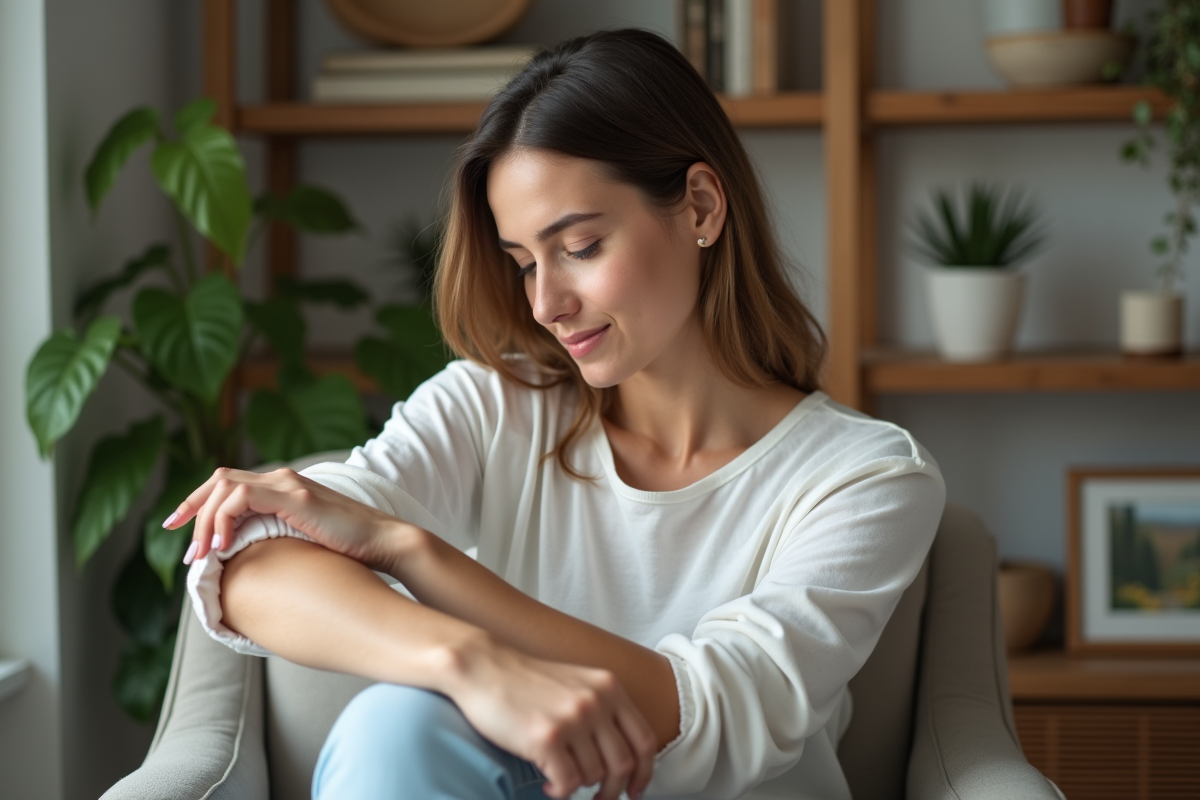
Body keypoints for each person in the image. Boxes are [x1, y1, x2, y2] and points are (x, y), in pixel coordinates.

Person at [170, 28, 945, 800]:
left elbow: (712, 714)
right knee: (394, 727)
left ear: (701, 206)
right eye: (524, 263)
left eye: (580, 246)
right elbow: (245, 563)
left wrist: (412, 552)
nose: (546, 304)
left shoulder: (867, 475)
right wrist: (467, 664)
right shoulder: (495, 406)